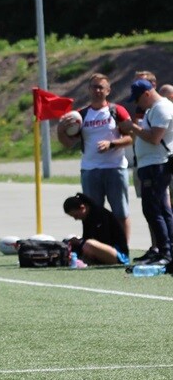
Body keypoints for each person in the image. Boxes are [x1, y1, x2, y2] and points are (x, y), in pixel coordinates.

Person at [56, 74, 133, 243]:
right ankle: (97, 248)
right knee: (92, 213)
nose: (97, 90)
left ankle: (122, 249)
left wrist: (111, 144)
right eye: (94, 87)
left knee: (120, 213)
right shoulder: (81, 115)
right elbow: (68, 143)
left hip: (115, 168)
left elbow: (130, 138)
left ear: (108, 90)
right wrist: (60, 130)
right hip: (90, 170)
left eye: (101, 87)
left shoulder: (116, 111)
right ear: (89, 90)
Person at [118, 79, 173, 267]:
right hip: (150, 165)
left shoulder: (161, 108)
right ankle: (165, 250)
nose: (137, 103)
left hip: (157, 165)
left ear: (147, 94)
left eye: (138, 99)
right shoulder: (153, 109)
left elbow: (155, 138)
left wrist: (133, 127)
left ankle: (166, 252)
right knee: (158, 209)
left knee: (154, 209)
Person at [62, 193, 130, 266]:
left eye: (76, 215)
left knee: (88, 244)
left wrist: (80, 242)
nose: (75, 219)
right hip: (103, 250)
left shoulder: (101, 215)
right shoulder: (86, 217)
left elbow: (105, 240)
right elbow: (87, 238)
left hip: (119, 255)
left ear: (82, 208)